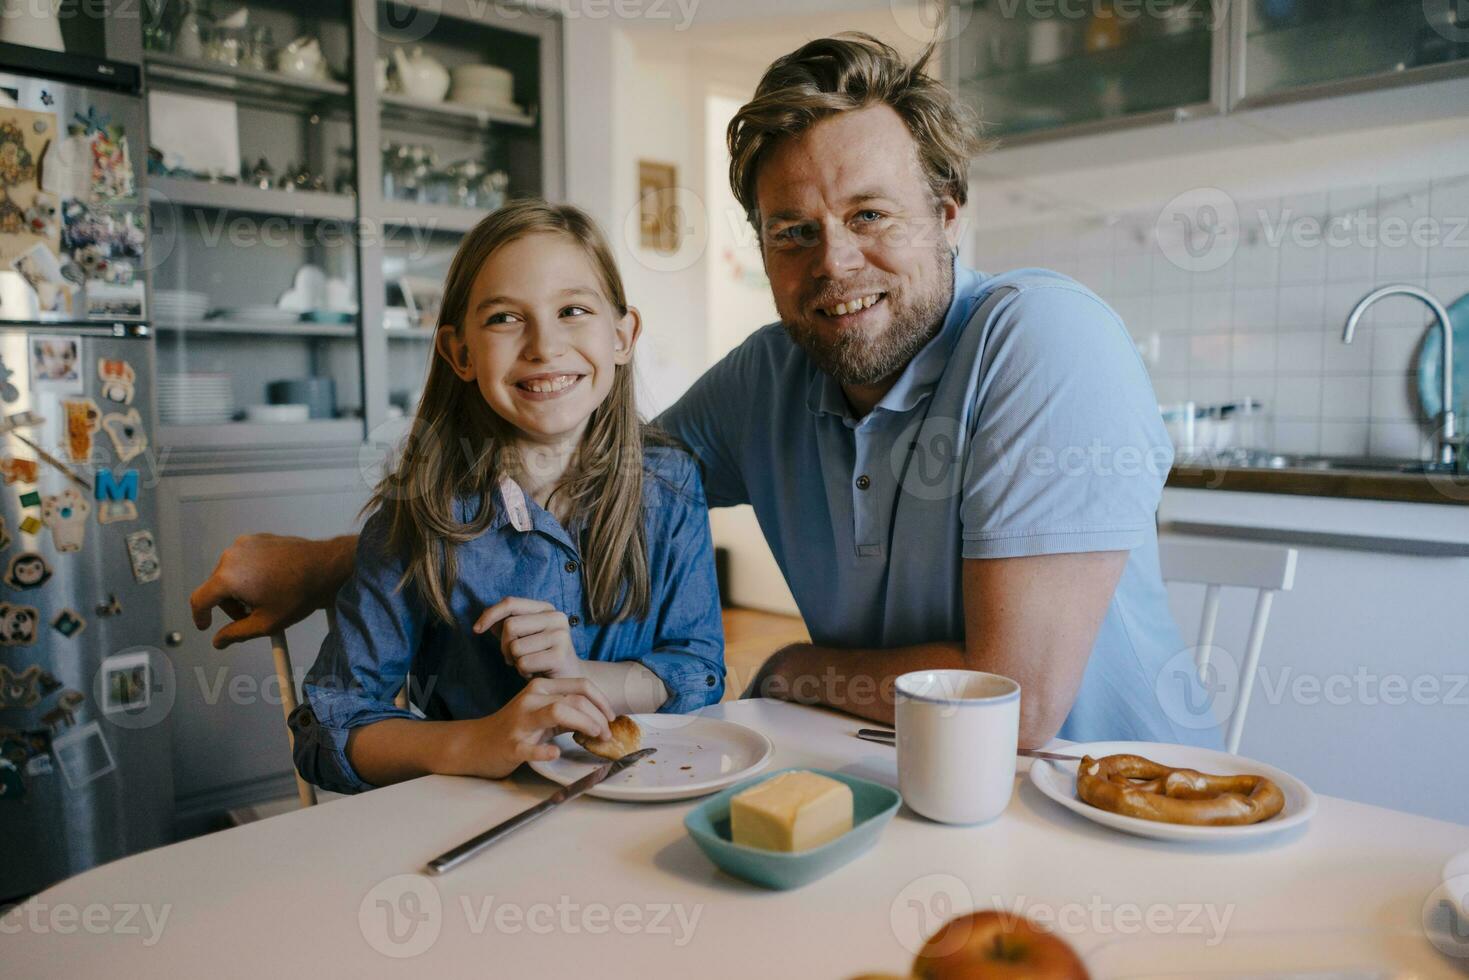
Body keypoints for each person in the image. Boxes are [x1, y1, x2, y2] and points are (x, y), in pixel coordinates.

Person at [193, 35, 1216, 751]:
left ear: (946, 212)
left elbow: (1014, 704)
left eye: (871, 214)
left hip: (1103, 810)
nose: (834, 262)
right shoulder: (773, 370)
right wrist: (339, 562)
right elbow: (574, 478)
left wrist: (784, 670)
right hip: (882, 775)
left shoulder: (1042, 339)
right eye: (792, 231)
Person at [287, 200, 724, 794]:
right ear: (460, 353)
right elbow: (329, 729)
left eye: (573, 310)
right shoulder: (417, 514)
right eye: (503, 319)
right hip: (478, 817)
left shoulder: (670, 484)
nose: (544, 346)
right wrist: (480, 740)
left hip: (648, 801)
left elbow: (699, 671)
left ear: (622, 336)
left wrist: (580, 675)